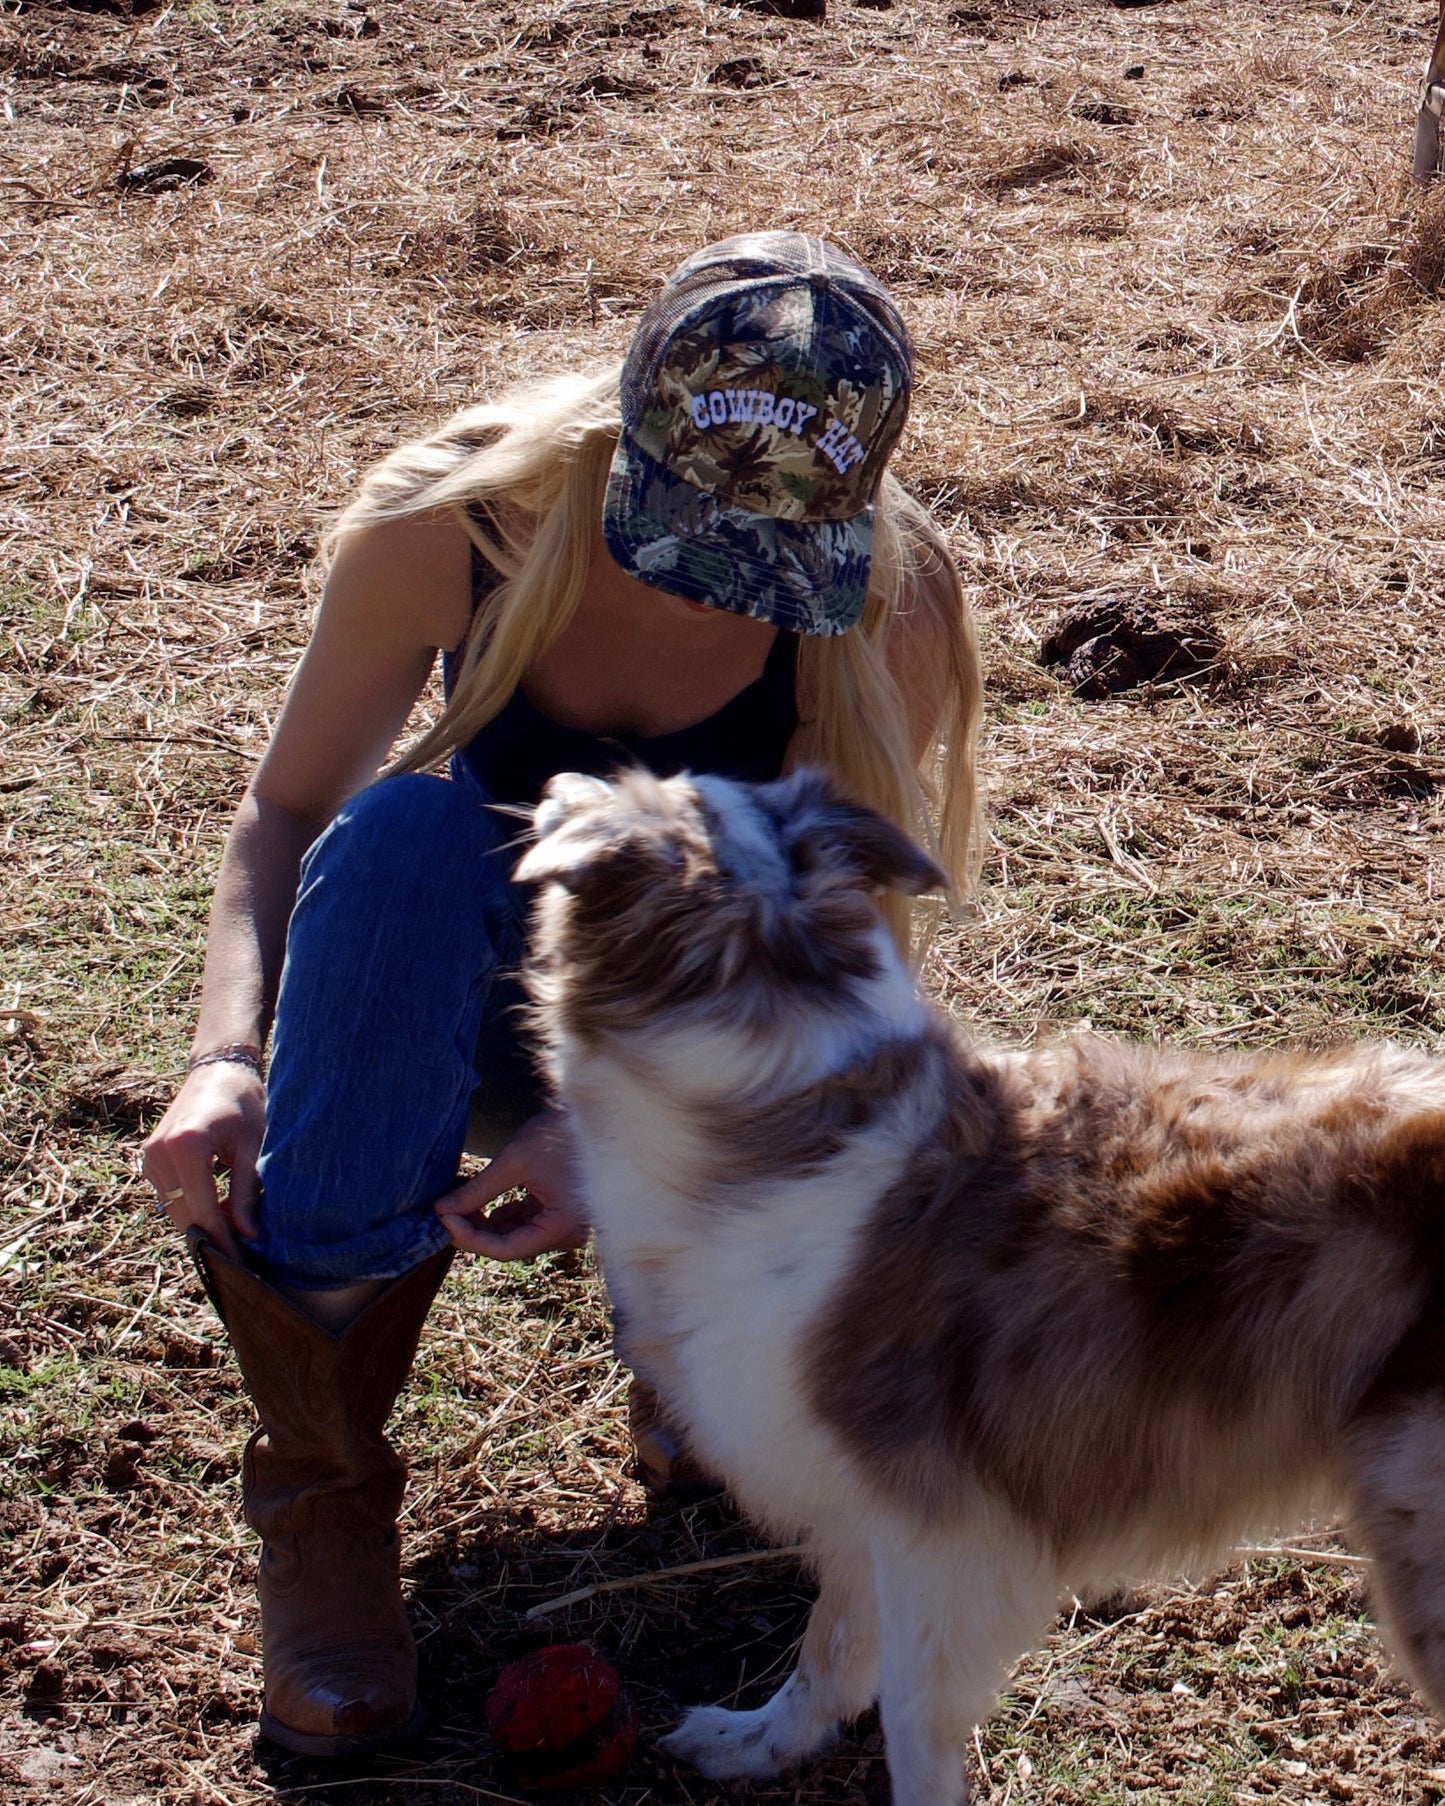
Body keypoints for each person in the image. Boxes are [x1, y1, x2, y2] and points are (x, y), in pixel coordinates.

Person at [141, 231, 984, 1758]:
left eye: (768, 554)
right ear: (622, 425)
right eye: (683, 528)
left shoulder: (881, 605)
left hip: (696, 1046)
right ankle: (323, 1504)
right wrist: (224, 1056)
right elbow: (280, 814)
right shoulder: (455, 517)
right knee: (397, 835)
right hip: (445, 1001)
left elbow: (816, 953)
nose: (721, 589)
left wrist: (614, 1136)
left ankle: (688, 1365)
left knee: (834, 1185)